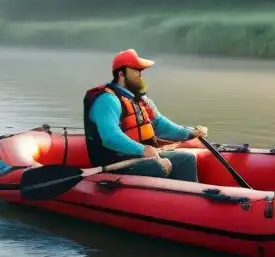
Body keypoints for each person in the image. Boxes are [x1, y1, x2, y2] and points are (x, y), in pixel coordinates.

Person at [82, 48, 208, 183]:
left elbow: (160, 124)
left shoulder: (139, 99)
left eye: (141, 71)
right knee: (158, 166)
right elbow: (111, 138)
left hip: (139, 157)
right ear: (121, 74)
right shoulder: (107, 100)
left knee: (187, 159)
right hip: (116, 162)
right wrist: (144, 150)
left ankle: (188, 198)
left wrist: (189, 133)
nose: (140, 75)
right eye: (136, 70)